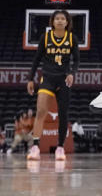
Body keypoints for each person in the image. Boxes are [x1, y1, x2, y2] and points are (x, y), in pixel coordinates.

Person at [26, 10, 79, 161]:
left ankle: (60, 148)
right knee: (41, 111)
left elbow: (77, 60)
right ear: (53, 21)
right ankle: (35, 147)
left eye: (63, 18)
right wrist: (30, 78)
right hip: (47, 78)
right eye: (57, 18)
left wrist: (72, 73)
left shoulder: (72, 38)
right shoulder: (45, 37)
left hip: (63, 79)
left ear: (67, 22)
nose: (60, 21)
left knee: (63, 115)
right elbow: (36, 59)